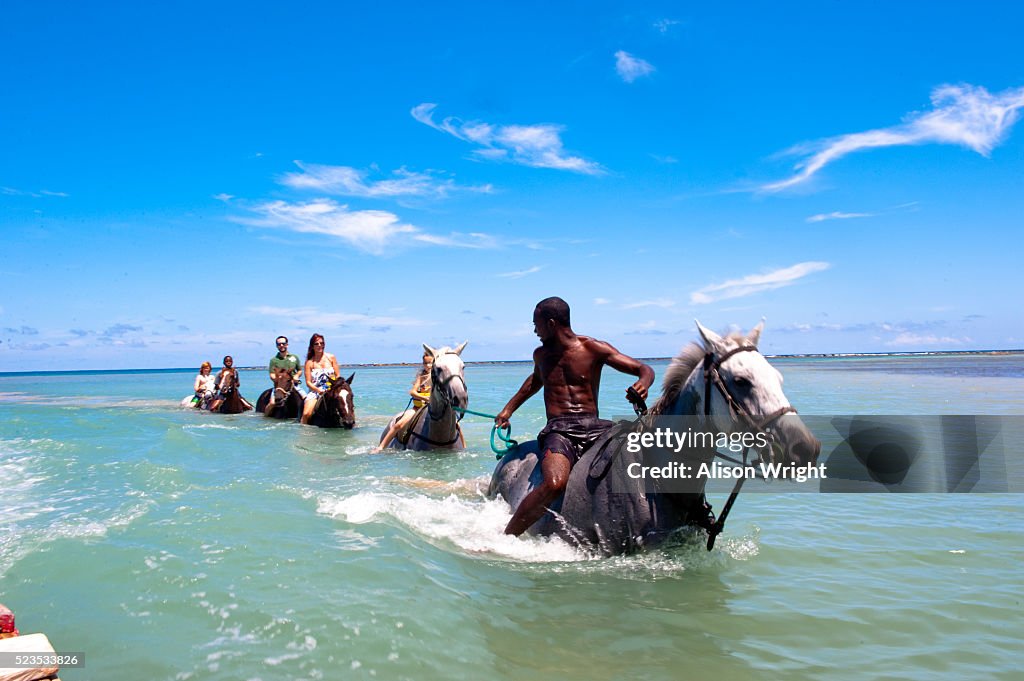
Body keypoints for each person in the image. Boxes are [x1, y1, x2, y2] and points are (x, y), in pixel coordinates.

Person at [495, 297, 655, 536]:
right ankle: (506, 537)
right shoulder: (541, 355)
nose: (535, 331)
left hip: (596, 427)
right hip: (560, 431)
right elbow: (534, 382)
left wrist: (643, 383)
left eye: (536, 324)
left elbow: (643, 368)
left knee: (642, 458)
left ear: (550, 323)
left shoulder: (593, 348)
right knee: (554, 484)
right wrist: (508, 410)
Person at [373, 348, 434, 452]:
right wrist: (424, 398)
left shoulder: (438, 376)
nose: (428, 366)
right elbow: (412, 392)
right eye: (425, 363)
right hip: (417, 409)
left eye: (430, 363)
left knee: (456, 424)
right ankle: (381, 447)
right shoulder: (421, 377)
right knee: (399, 424)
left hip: (433, 409)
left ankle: (462, 448)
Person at [300, 333, 341, 424]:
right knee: (306, 413)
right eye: (316, 344)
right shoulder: (309, 363)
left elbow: (337, 375)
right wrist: (319, 390)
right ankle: (304, 431)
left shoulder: (331, 357)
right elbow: (308, 382)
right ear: (312, 346)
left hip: (332, 388)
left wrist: (333, 387)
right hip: (316, 391)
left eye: (322, 343)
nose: (320, 345)